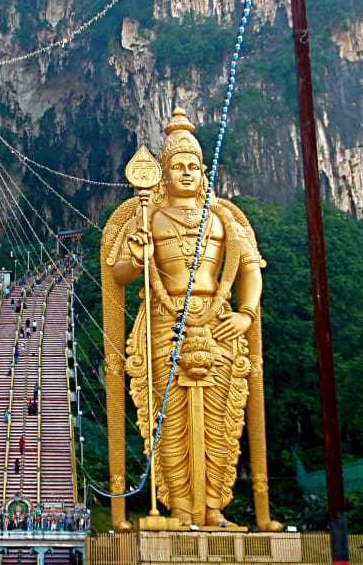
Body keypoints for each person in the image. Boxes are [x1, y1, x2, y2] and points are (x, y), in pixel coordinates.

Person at [102, 108, 280, 531]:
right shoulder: (147, 217)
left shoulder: (223, 219)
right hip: (164, 321)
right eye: (177, 166)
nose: (186, 173)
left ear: (204, 173)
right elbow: (117, 274)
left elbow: (250, 269)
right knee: (170, 419)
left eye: (193, 167)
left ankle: (214, 507)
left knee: (221, 417)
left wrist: (246, 313)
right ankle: (180, 507)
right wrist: (138, 256)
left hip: (218, 321)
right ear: (163, 174)